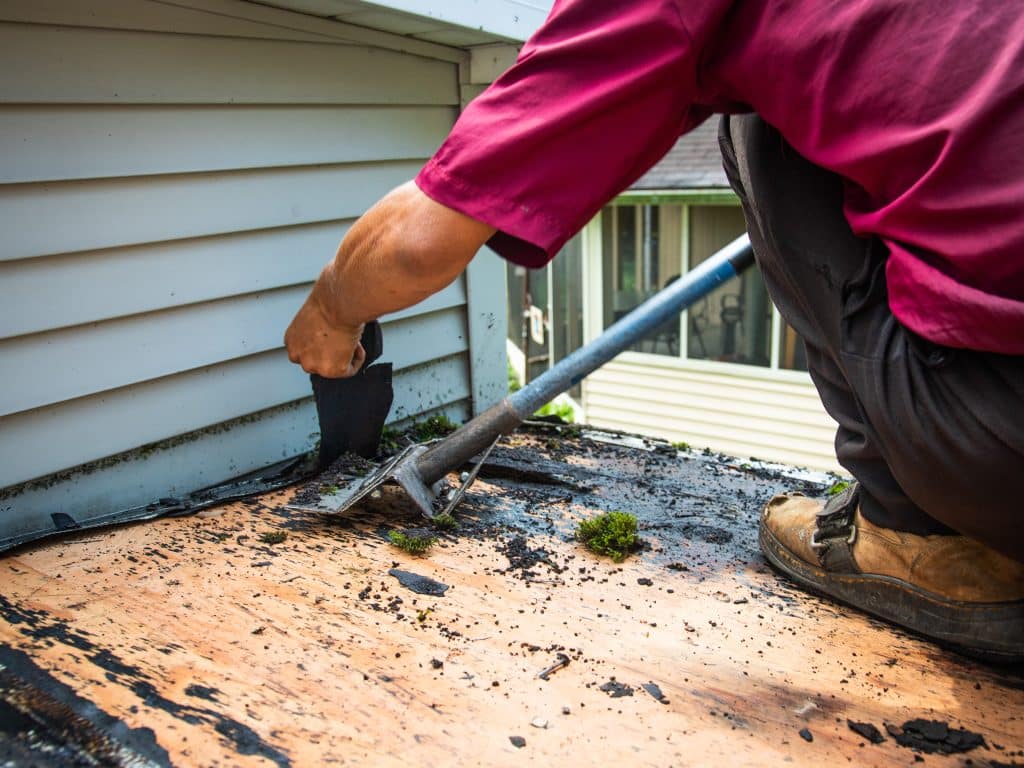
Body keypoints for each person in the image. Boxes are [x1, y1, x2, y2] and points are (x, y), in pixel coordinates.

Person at [285, 0, 1024, 660]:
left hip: (1000, 452)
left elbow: (423, 238)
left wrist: (330, 310)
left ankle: (913, 533)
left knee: (758, 126)